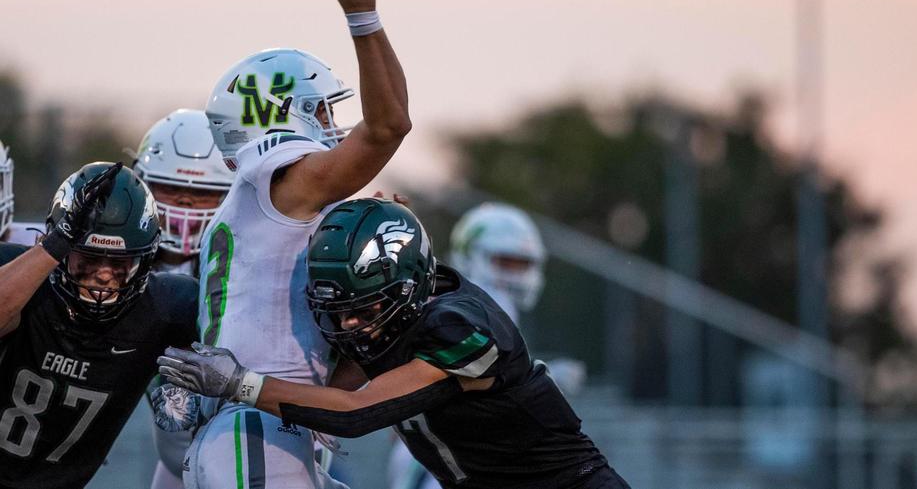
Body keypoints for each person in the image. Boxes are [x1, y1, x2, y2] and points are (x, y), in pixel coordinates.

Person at [159, 198, 630, 489]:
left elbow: (356, 410)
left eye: (363, 307)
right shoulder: (400, 302)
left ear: (407, 289)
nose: (348, 321)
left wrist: (241, 383)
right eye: (337, 306)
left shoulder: (460, 327)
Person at [179, 0, 411, 489]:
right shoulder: (278, 176)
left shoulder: (258, 206)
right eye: (323, 110)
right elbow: (389, 127)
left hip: (267, 422)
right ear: (285, 115)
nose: (333, 125)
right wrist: (362, 11)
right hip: (259, 427)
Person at [0, 162, 198, 489]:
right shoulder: (22, 280)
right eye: (88, 257)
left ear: (145, 258)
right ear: (59, 248)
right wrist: (56, 243)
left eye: (120, 262)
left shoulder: (165, 308)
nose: (104, 273)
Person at [388, 203, 586, 489]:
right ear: (470, 254)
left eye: (522, 264)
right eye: (505, 262)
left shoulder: (458, 304)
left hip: (442, 450)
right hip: (447, 455)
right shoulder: (474, 309)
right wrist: (549, 379)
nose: (515, 275)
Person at [133, 109, 234, 489]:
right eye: (169, 189)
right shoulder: (112, 259)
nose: (186, 205)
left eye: (204, 192)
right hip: (176, 460)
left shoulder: (249, 255)